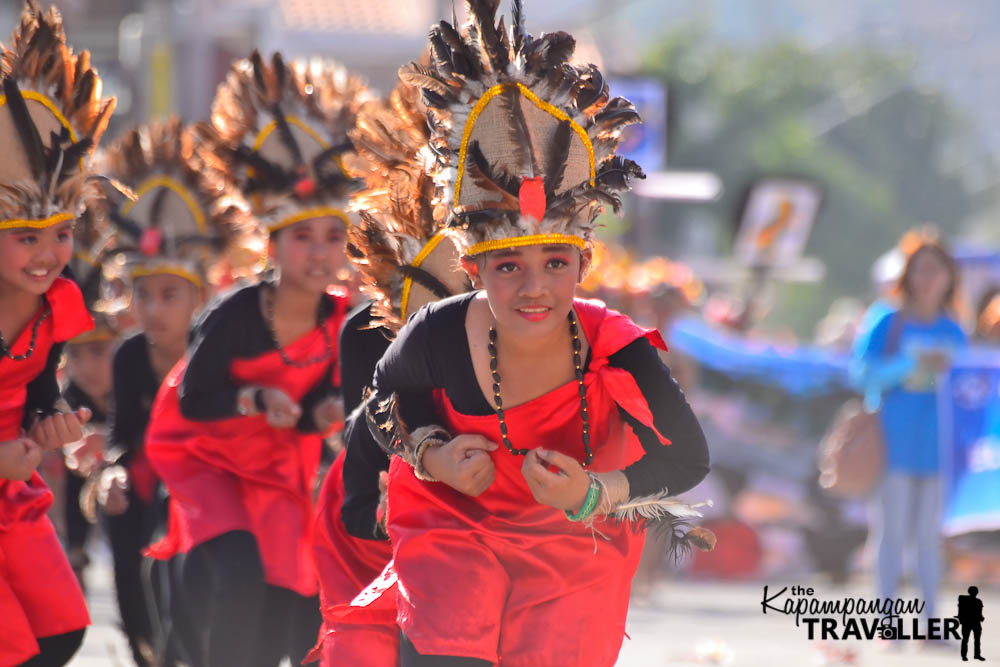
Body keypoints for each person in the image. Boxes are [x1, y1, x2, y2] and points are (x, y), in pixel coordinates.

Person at [327, 3, 713, 664]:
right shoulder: (437, 332)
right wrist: (431, 454)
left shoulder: (613, 341)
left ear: (584, 264)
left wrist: (593, 492)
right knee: (448, 635)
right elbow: (379, 404)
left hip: (571, 548)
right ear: (473, 268)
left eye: (554, 264)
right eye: (509, 266)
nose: (534, 287)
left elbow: (688, 456)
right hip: (454, 532)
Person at [144, 52, 368, 667]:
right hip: (205, 458)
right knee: (239, 568)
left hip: (275, 464)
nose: (321, 253)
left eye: (332, 236)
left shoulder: (339, 317)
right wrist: (252, 400)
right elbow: (194, 398)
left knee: (287, 588)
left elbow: (306, 419)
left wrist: (322, 412)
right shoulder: (235, 313)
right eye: (303, 237)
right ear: (272, 243)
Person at [309, 79, 472, 665]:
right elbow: (361, 489)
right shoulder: (366, 337)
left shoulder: (532, 344)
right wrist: (394, 509)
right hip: (385, 562)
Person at [93, 117, 247, 667]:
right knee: (127, 513)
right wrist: (109, 472)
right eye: (143, 295)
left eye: (169, 295)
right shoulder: (130, 356)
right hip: (146, 495)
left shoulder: (222, 350)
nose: (153, 309)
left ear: (200, 295)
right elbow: (120, 438)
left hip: (209, 495)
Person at [0, 2, 116, 663]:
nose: (47, 255)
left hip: (12, 494)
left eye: (62, 235)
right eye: (24, 238)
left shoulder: (56, 305)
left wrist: (52, 415)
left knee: (60, 629)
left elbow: (40, 381)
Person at [852, 230, 967, 628]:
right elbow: (862, 373)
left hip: (938, 447)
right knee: (891, 534)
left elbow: (968, 388)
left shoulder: (954, 329)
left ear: (950, 277)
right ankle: (886, 622)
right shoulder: (887, 319)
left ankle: (930, 622)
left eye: (936, 270)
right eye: (920, 270)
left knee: (930, 540)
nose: (927, 279)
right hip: (891, 443)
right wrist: (911, 365)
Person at [957, 585, 985, 661]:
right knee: (970, 640)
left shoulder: (976, 601)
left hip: (972, 623)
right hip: (971, 623)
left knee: (971, 640)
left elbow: (979, 613)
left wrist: (981, 618)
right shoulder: (977, 601)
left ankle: (971, 655)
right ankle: (969, 655)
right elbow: (979, 613)